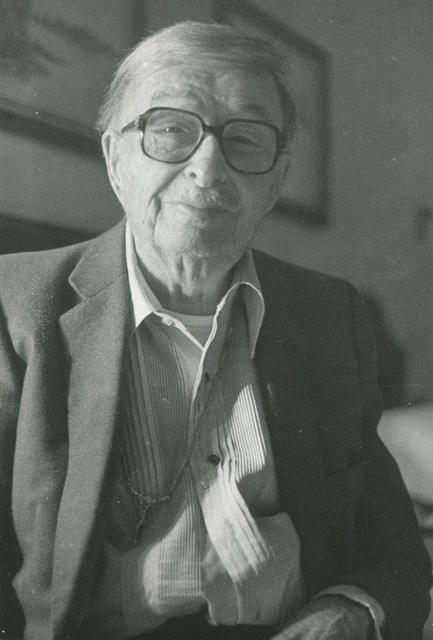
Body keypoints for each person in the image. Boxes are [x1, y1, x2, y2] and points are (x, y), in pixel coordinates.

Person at [0, 21, 430, 640]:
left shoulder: (332, 315)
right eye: (170, 130)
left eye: (246, 139)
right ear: (115, 158)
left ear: (276, 180)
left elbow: (393, 551)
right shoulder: (14, 307)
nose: (208, 169)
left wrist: (351, 610)